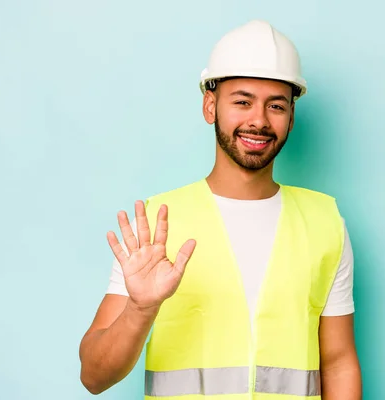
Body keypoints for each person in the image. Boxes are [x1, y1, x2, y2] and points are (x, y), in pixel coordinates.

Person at [79, 19, 362, 399]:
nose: (259, 120)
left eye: (276, 105)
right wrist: (140, 309)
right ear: (210, 106)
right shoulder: (156, 225)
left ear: (292, 117)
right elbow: (94, 377)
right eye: (242, 101)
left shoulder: (324, 223)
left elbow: (339, 362)